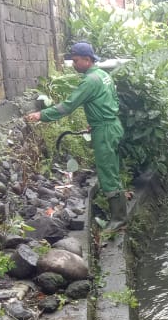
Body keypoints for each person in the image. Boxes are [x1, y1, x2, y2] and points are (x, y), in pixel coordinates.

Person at [25, 41, 127, 230]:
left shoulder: (90, 81)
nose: (73, 64)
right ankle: (120, 214)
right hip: (111, 125)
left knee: (107, 173)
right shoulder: (103, 75)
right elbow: (110, 101)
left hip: (105, 131)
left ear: (87, 60)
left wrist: (42, 115)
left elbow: (68, 106)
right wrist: (96, 122)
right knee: (112, 169)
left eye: (76, 60)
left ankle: (119, 219)